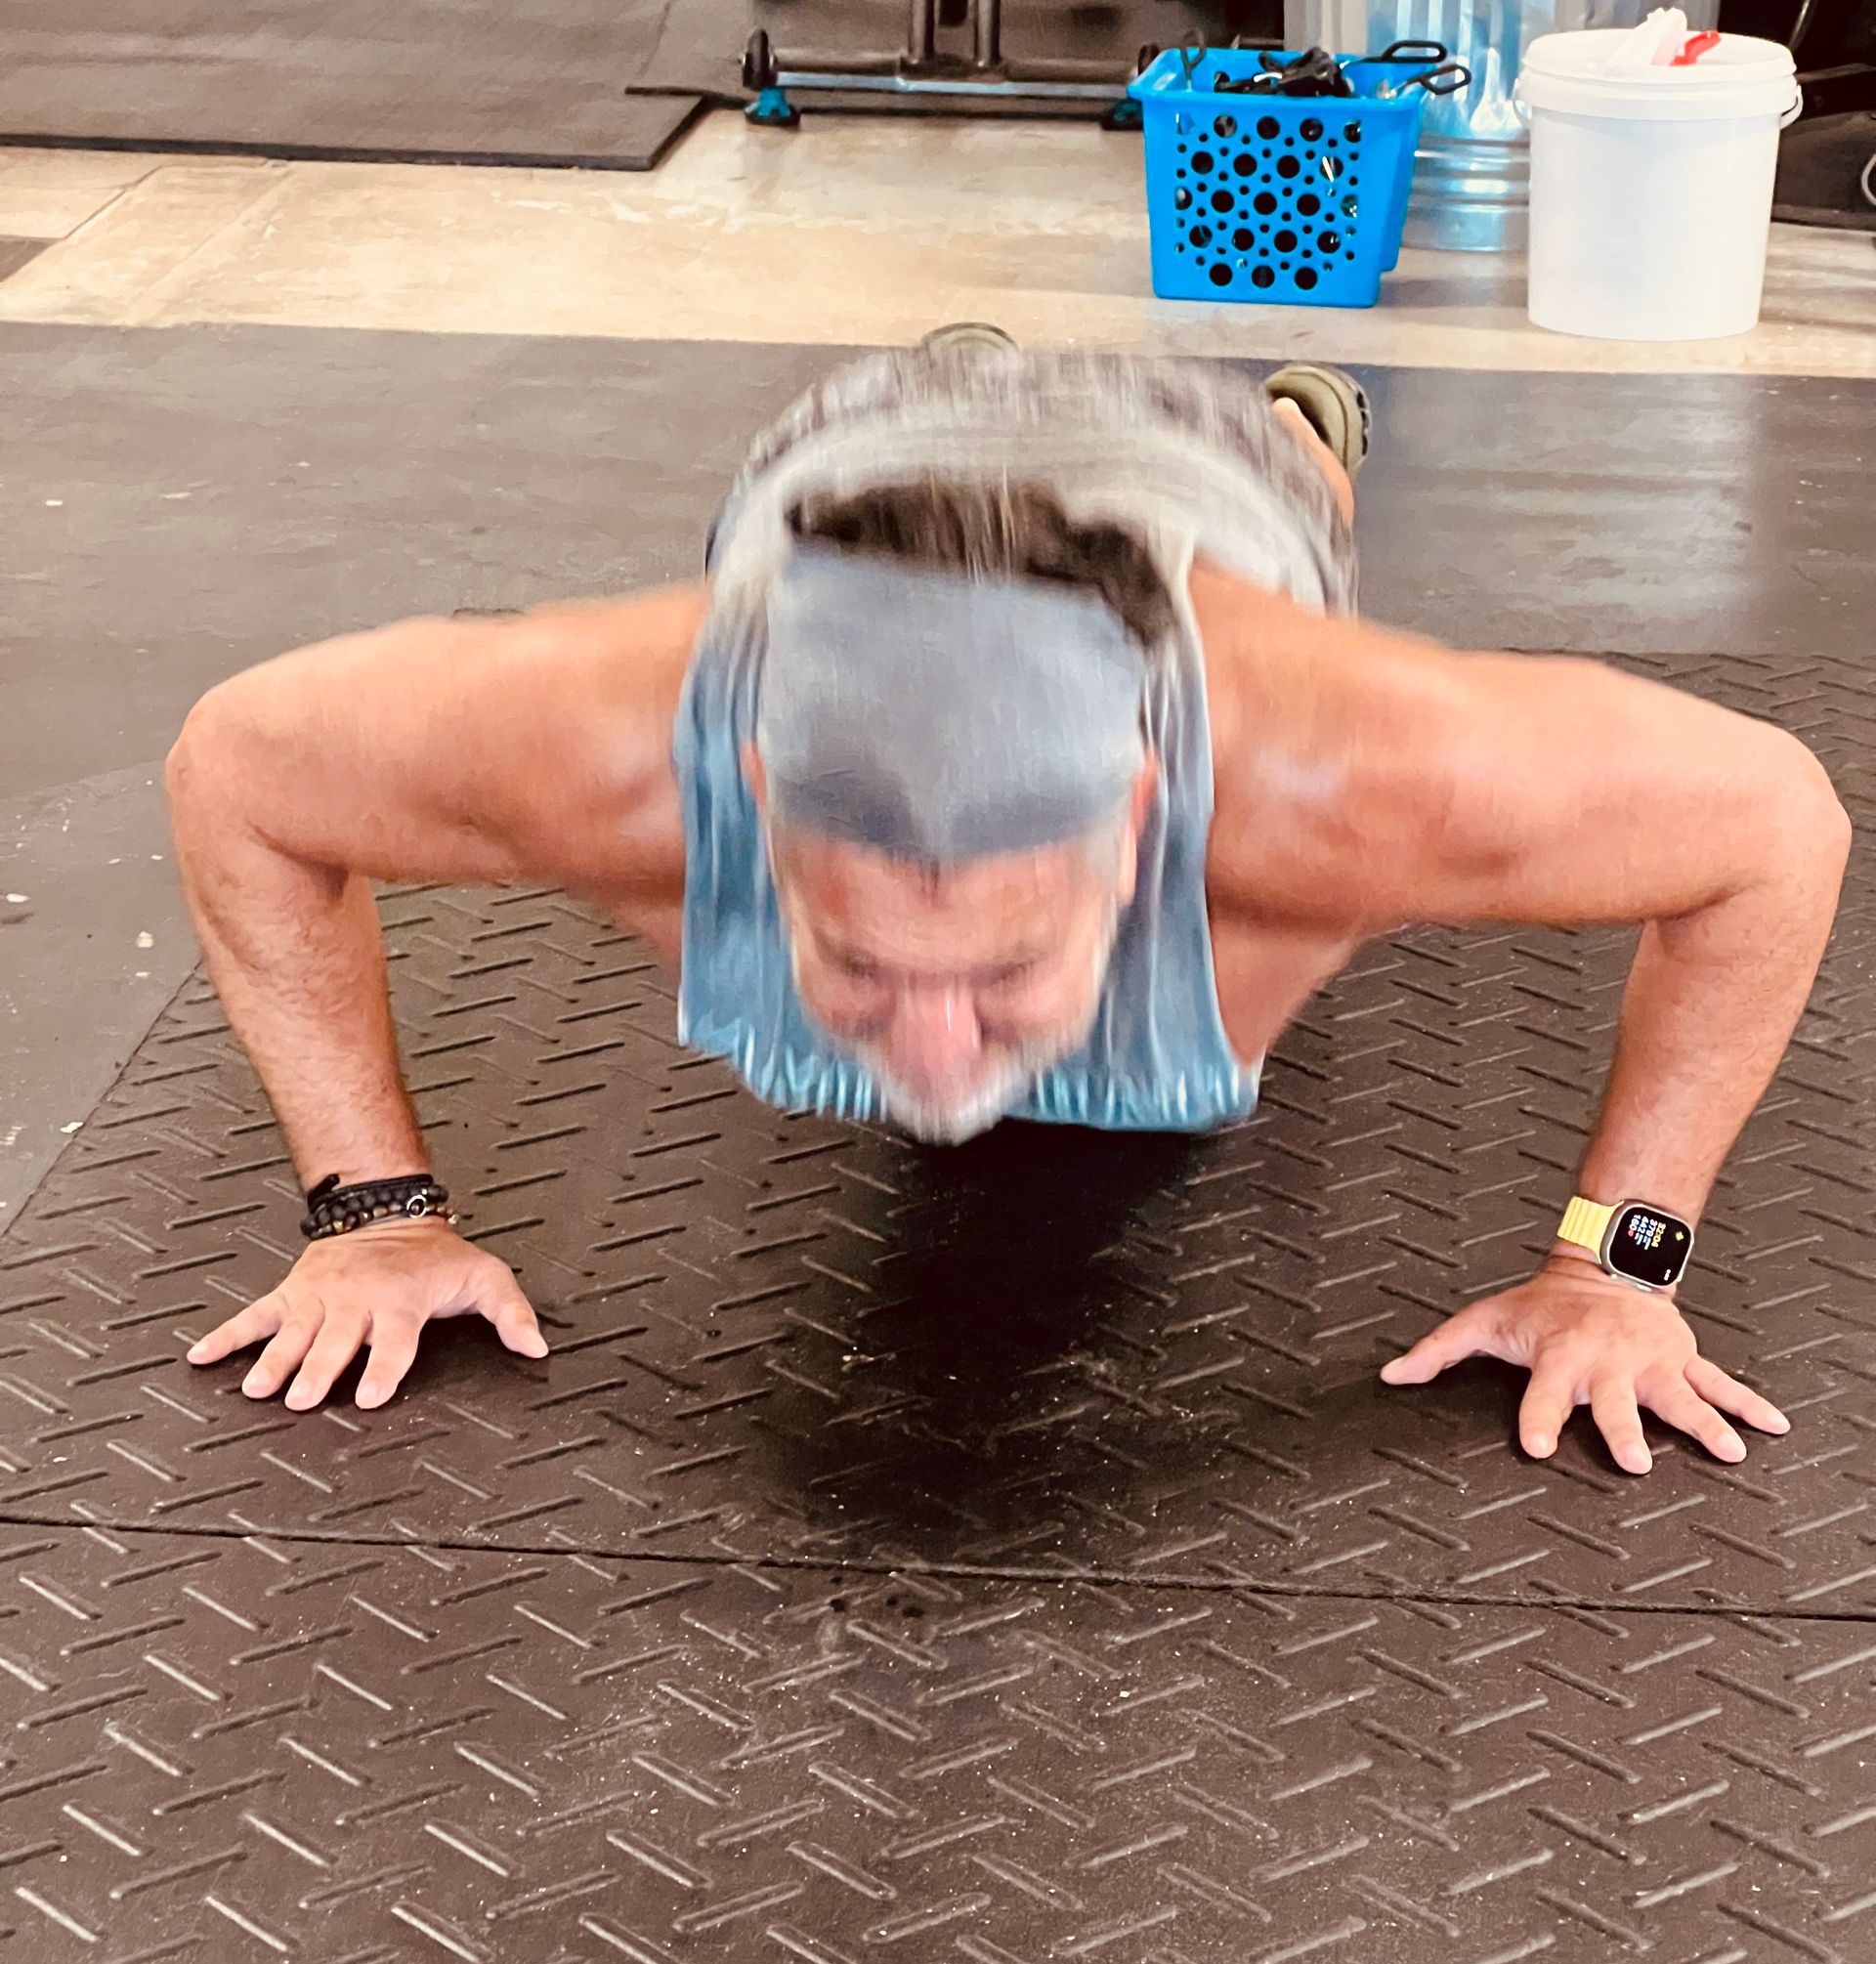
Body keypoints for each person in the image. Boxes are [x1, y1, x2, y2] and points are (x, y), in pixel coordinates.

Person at [165, 331, 1850, 1475]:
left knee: (1280, 497)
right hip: (852, 456)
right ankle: (960, 367)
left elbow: (1776, 826)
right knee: (920, 406)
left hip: (1198, 488)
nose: (944, 1064)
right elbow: (234, 768)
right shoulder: (604, 759)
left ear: (1136, 819)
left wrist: (1620, 1266)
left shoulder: (1353, 786)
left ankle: (1297, 425)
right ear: (745, 805)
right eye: (869, 966)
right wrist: (371, 1216)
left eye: (1006, 969)